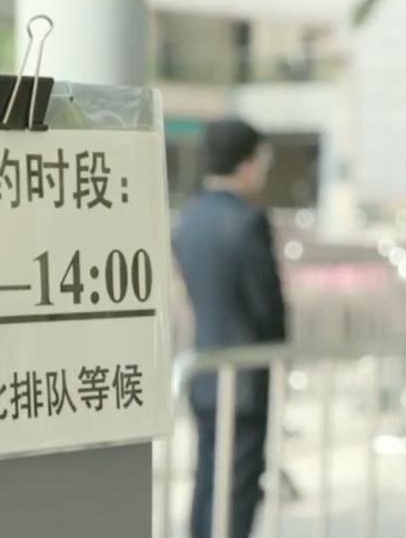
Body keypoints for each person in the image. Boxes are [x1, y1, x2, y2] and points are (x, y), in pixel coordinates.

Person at [173, 118, 286, 538]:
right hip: (246, 377)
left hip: (203, 370)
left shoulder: (190, 218)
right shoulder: (248, 220)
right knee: (237, 489)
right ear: (246, 161)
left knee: (207, 481)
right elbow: (267, 307)